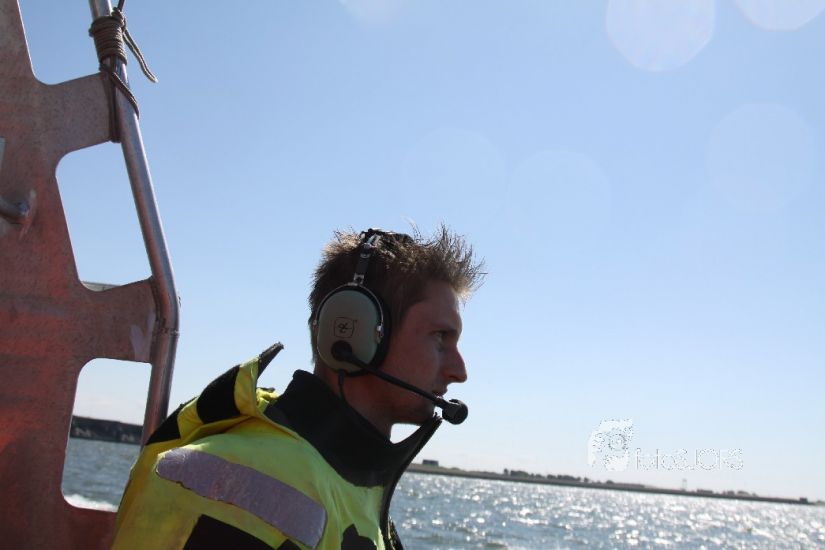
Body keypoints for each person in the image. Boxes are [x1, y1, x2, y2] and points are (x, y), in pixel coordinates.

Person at [111, 226, 484, 550]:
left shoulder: (351, 484)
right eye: (440, 337)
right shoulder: (239, 483)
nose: (459, 371)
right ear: (351, 331)